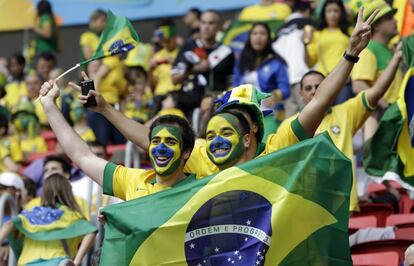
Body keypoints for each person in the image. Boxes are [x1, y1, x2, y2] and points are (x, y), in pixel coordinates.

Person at [73, 7, 380, 178]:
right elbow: (145, 138)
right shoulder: (204, 154)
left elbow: (321, 99)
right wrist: (104, 108)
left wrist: (350, 53)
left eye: (229, 128)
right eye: (216, 127)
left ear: (250, 134)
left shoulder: (277, 147)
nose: (217, 138)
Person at [278, 44, 402, 212]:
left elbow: (377, 90)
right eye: (308, 88)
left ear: (329, 88)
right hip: (307, 206)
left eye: (319, 86)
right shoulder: (289, 126)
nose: (314, 91)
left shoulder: (345, 112)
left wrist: (395, 60)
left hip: (343, 205)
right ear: (300, 93)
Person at [40, 79, 197, 201]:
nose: (160, 148)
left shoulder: (203, 188)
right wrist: (49, 105)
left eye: (170, 142)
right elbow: (82, 156)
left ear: (186, 152)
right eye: (155, 142)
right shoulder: (134, 182)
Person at [0, 174, 96, 266]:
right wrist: (77, 261)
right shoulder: (71, 215)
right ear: (68, 191)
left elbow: (9, 224)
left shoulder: (32, 213)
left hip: (27, 263)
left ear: (44, 192)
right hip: (57, 262)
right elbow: (91, 232)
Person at [171, 9, 234, 116]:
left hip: (215, 108)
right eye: (203, 22)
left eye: (210, 23)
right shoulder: (188, 47)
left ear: (217, 26)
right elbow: (174, 79)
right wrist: (194, 69)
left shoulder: (227, 52)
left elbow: (231, 83)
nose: (206, 27)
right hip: (187, 106)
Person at [304, 0, 353, 104]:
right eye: (329, 11)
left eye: (336, 11)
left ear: (342, 13)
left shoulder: (349, 32)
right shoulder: (317, 34)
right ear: (324, 14)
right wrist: (305, 44)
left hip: (344, 78)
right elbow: (310, 62)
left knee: (341, 113)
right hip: (322, 81)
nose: (333, 14)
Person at [234, 22, 290, 111]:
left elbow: (285, 89)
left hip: (270, 112)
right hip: (245, 112)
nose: (258, 37)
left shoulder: (276, 62)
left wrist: (275, 95)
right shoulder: (242, 62)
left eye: (262, 34)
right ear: (250, 37)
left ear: (268, 39)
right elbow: (236, 85)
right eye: (255, 33)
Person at [273, 0, 315, 116]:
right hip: (303, 77)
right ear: (306, 11)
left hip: (285, 80)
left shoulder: (280, 30)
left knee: (291, 123)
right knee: (309, 118)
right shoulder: (308, 24)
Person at [151, 20, 181, 111]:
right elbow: (152, 85)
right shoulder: (156, 56)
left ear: (175, 37)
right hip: (159, 97)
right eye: (162, 41)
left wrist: (176, 62)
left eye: (168, 40)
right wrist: (149, 70)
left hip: (176, 97)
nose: (165, 44)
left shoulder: (183, 53)